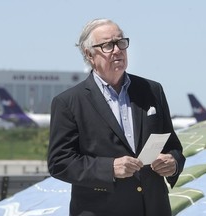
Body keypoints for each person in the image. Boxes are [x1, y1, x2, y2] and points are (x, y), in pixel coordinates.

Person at [47, 18, 185, 216]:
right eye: (108, 45)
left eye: (121, 42)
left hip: (154, 208)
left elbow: (173, 146)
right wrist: (109, 168)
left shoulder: (152, 90)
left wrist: (173, 163)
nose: (118, 50)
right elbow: (60, 162)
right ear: (89, 54)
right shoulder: (68, 102)